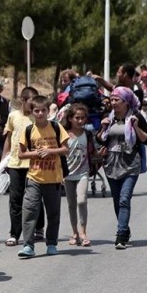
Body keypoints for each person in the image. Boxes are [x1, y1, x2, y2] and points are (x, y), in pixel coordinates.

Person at [98, 86, 147, 249]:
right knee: (116, 200)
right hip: (111, 164)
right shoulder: (109, 118)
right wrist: (102, 128)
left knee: (124, 199)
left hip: (130, 164)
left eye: (116, 100)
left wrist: (135, 127)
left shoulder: (136, 117)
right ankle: (125, 228)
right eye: (111, 100)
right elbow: (101, 140)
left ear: (126, 102)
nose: (113, 103)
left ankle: (120, 234)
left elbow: (146, 140)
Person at [16, 96, 69, 258]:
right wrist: (37, 154)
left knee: (53, 213)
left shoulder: (56, 127)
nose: (40, 114)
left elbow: (65, 149)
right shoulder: (28, 130)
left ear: (48, 111)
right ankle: (28, 246)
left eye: (43, 110)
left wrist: (50, 152)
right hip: (34, 178)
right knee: (29, 211)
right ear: (31, 112)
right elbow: (21, 154)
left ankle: (52, 243)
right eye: (36, 111)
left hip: (53, 179)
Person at [2, 86, 44, 246]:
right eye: (31, 102)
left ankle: (39, 227)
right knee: (15, 199)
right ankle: (14, 233)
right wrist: (3, 159)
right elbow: (9, 138)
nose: (34, 107)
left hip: (34, 163)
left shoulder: (37, 118)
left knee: (35, 198)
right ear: (23, 100)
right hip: (15, 164)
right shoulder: (13, 116)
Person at [61, 103, 93, 247]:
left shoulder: (87, 134)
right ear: (70, 118)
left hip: (82, 173)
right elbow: (60, 155)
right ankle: (75, 233)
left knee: (81, 200)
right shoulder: (64, 134)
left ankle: (83, 232)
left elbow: (93, 152)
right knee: (71, 204)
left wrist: (99, 155)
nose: (80, 121)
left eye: (83, 118)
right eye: (77, 118)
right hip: (67, 175)